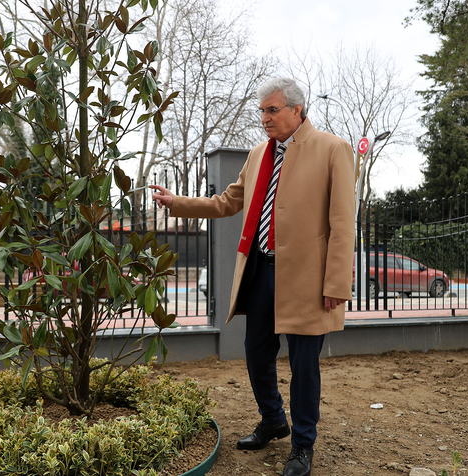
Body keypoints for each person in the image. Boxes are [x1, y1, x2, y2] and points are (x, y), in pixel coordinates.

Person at [150, 78, 355, 476]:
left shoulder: (334, 149)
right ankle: (273, 419)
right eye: (261, 110)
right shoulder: (259, 153)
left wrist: (336, 285)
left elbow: (343, 224)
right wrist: (177, 203)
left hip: (308, 280)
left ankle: (302, 445)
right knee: (256, 353)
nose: (264, 118)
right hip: (260, 270)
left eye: (272, 110)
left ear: (297, 110)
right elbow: (228, 202)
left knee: (304, 367)